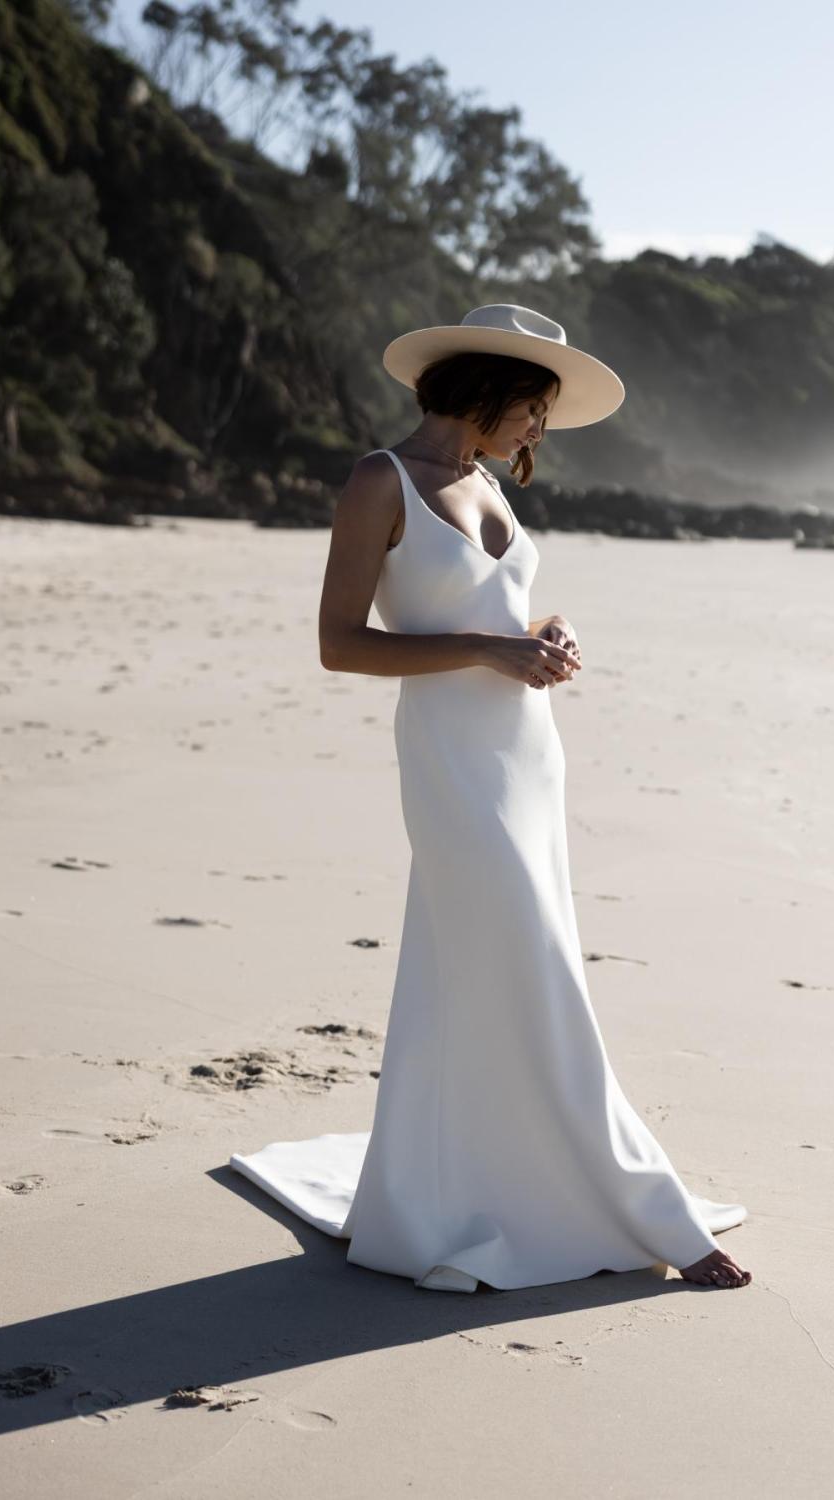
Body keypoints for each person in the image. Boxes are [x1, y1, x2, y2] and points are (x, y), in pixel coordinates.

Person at [231, 304, 751, 1292]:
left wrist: (541, 634)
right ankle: (643, 1202)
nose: (538, 433)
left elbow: (495, 612)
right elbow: (341, 643)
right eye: (535, 410)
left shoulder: (481, 482)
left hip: (527, 755)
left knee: (488, 966)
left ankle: (475, 1176)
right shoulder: (380, 481)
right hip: (450, 761)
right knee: (532, 958)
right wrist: (488, 647)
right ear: (489, 389)